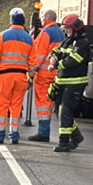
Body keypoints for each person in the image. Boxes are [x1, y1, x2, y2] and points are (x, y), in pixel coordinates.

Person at [0, 7, 35, 144]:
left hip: (5, 76)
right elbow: (32, 62)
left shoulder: (3, 35)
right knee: (16, 106)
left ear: (11, 19)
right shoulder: (29, 38)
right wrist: (31, 77)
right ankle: (14, 135)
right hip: (21, 77)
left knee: (2, 105)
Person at [47, 14, 89, 152]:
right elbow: (57, 50)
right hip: (62, 83)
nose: (66, 31)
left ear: (76, 28)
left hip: (75, 83)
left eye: (68, 29)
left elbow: (73, 60)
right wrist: (52, 57)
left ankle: (63, 142)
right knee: (60, 112)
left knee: (65, 110)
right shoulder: (67, 41)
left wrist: (56, 65)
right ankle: (76, 136)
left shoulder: (83, 43)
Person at [27, 10, 64, 142]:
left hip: (44, 75)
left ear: (48, 18)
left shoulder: (46, 33)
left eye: (43, 17)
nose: (41, 20)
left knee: (43, 104)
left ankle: (43, 132)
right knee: (56, 104)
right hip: (57, 74)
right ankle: (64, 134)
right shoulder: (61, 32)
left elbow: (39, 56)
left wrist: (32, 72)